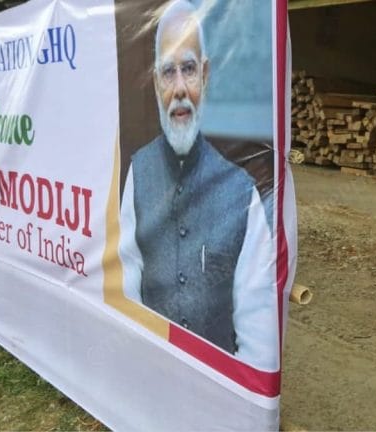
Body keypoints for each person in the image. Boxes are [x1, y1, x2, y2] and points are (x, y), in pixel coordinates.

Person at [118, 0, 278, 371]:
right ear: (156, 83)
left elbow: (258, 331)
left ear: (205, 75)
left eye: (188, 69)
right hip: (150, 369)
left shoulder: (243, 193)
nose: (179, 89)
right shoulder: (138, 171)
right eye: (168, 72)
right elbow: (126, 280)